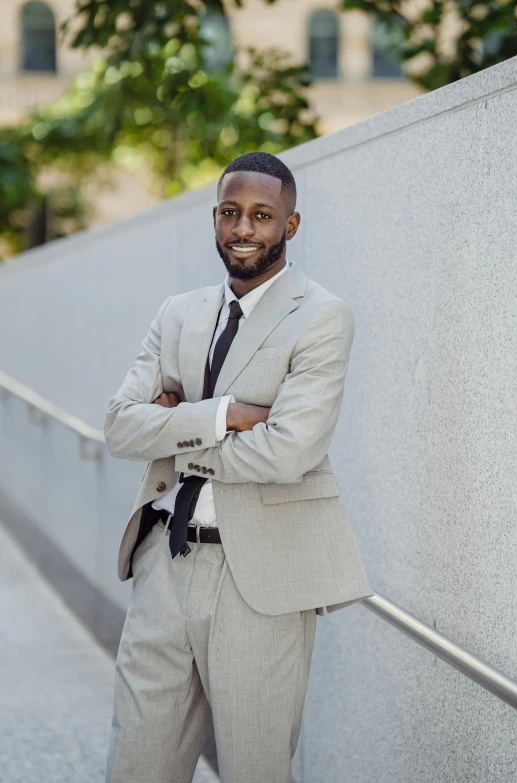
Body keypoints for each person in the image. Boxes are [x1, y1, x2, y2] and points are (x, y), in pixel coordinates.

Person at [104, 151, 373, 783]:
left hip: (261, 578)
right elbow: (120, 426)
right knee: (137, 765)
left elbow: (288, 452)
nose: (243, 229)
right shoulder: (177, 313)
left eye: (261, 215)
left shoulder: (321, 317)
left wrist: (172, 427)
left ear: (291, 224)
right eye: (230, 213)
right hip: (162, 566)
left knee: (254, 768)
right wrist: (224, 413)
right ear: (215, 218)